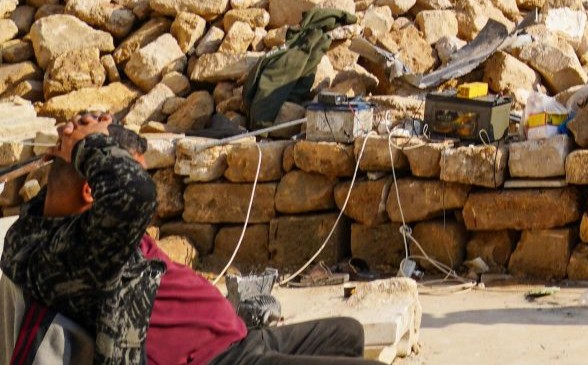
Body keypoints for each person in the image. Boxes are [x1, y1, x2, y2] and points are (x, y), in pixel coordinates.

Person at [1, 113, 373, 365]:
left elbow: (63, 193)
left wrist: (77, 145)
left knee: (348, 334)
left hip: (237, 339)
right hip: (215, 360)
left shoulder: (44, 228)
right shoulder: (72, 252)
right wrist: (89, 148)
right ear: (90, 190)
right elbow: (136, 194)